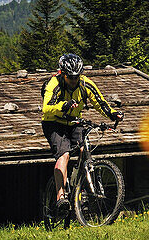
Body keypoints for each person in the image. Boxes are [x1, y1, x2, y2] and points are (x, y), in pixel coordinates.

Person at [41, 53, 123, 212]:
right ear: (63, 74)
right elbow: (46, 108)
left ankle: (81, 185)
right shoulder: (54, 83)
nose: (73, 80)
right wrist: (63, 105)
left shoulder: (85, 84)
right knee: (64, 154)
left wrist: (113, 114)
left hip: (74, 121)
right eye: (70, 77)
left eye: (76, 77)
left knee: (83, 148)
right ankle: (61, 196)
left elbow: (100, 103)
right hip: (53, 122)